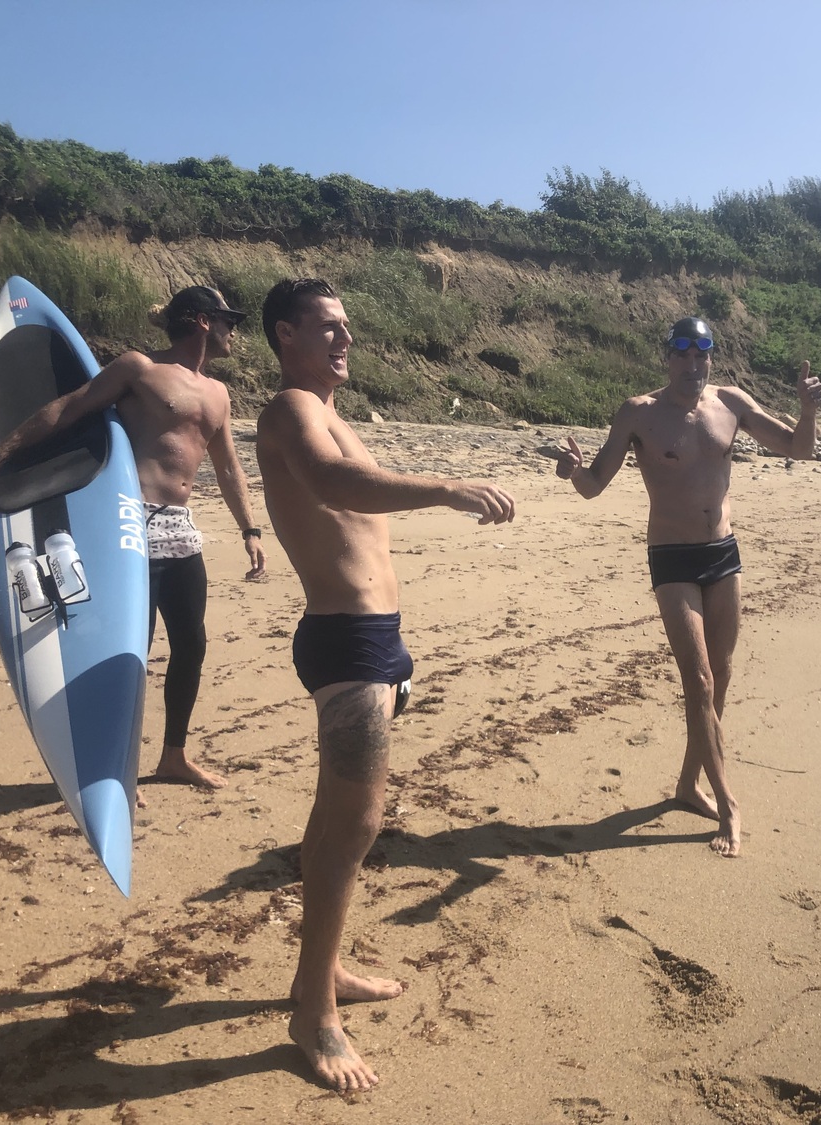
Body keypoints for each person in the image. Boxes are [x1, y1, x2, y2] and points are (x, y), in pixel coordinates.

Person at [254, 277, 515, 1091]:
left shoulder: (333, 415)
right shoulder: (291, 411)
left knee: (336, 820)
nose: (346, 340)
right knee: (356, 822)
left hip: (376, 642)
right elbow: (335, 487)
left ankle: (322, 970)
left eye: (348, 327)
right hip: (345, 643)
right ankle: (311, 1016)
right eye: (328, 327)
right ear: (286, 333)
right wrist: (443, 486)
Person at [0, 285, 266, 792]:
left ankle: (174, 757)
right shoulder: (140, 369)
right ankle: (114, 767)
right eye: (229, 319)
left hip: (181, 530)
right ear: (203, 321)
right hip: (130, 524)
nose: (236, 330)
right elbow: (69, 408)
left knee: (192, 645)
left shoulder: (218, 393)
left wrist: (249, 529)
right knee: (131, 652)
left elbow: (229, 466)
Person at [556, 316, 821, 858]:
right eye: (682, 354)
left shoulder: (731, 403)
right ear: (668, 359)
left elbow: (799, 448)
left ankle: (687, 784)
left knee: (720, 675)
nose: (692, 364)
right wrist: (571, 472)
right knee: (698, 681)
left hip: (723, 554)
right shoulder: (639, 414)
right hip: (673, 557)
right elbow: (593, 487)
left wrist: (809, 409)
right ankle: (728, 803)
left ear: (710, 359)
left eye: (701, 354)